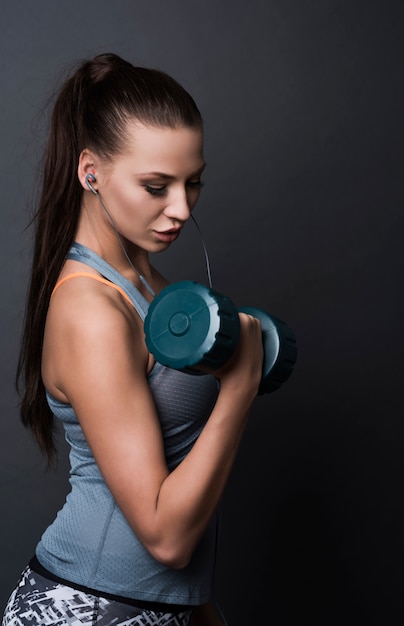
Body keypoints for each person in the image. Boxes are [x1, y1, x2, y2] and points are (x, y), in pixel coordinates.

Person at [2, 53, 263, 626]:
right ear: (91, 171)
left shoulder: (150, 290)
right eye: (155, 185)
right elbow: (166, 537)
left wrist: (198, 610)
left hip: (154, 608)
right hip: (87, 609)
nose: (181, 208)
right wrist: (240, 387)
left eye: (192, 182)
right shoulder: (91, 309)